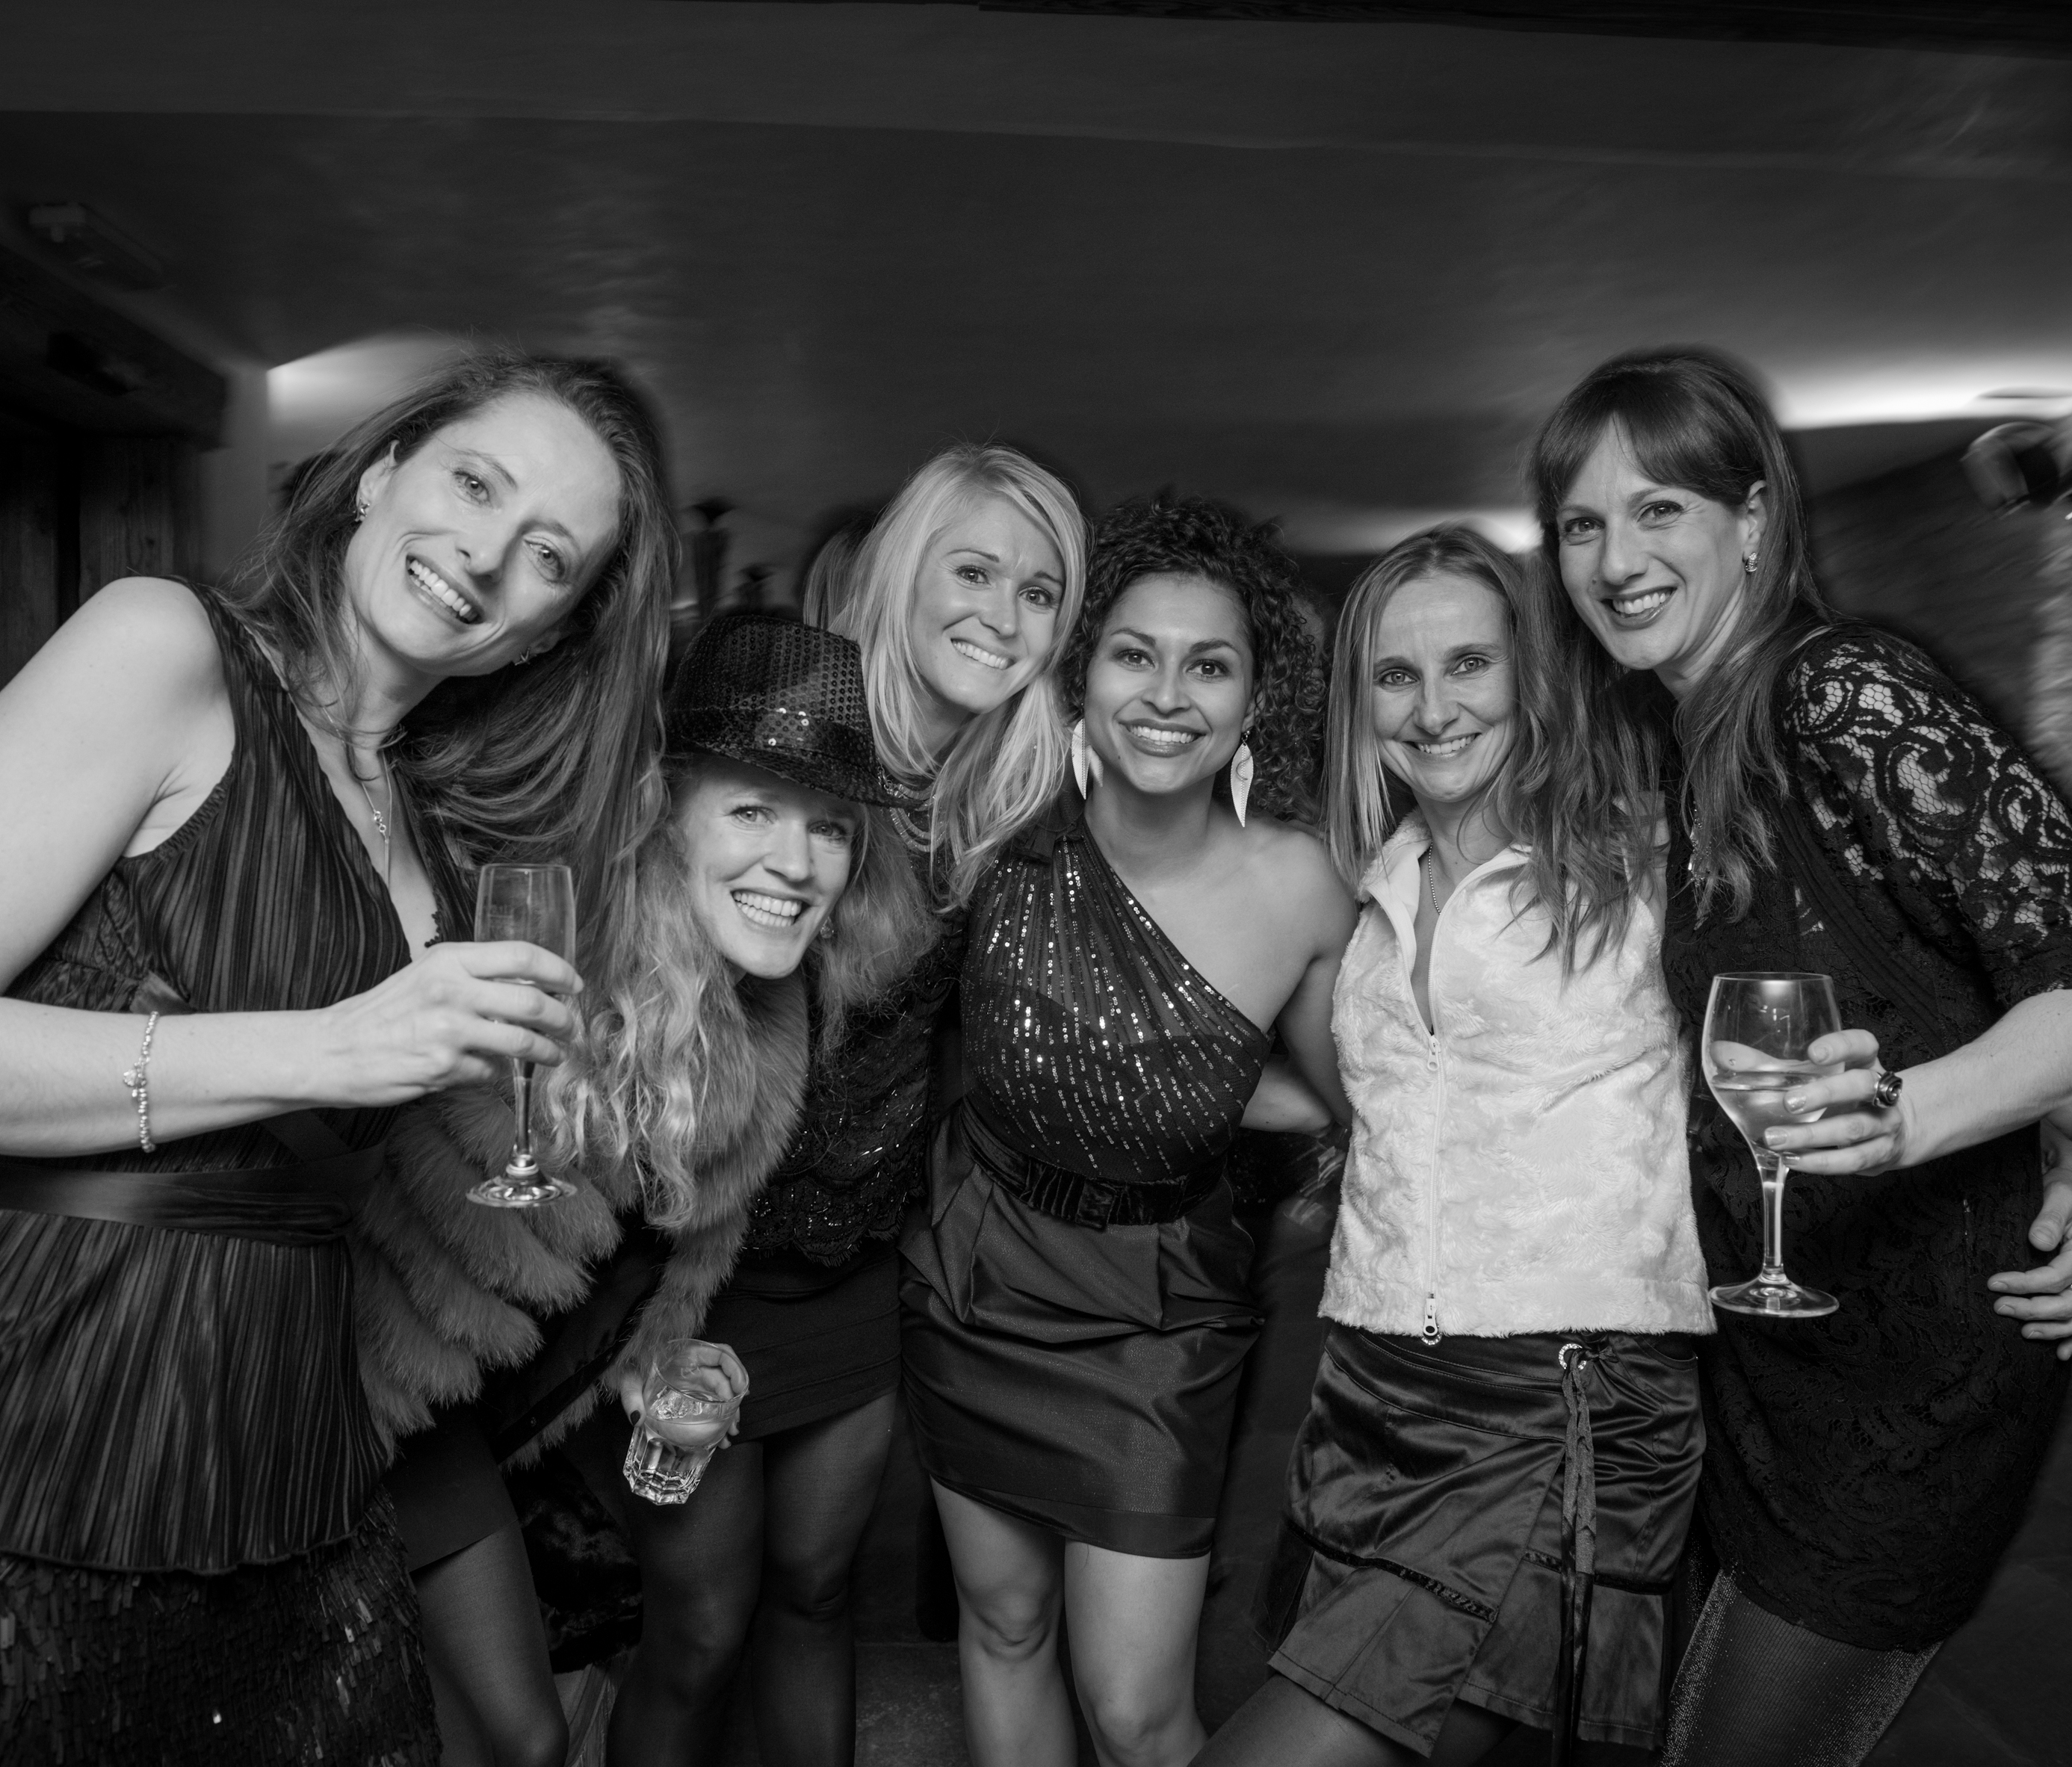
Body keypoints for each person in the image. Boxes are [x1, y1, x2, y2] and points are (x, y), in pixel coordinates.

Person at [0, 351, 678, 1766]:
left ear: (547, 635)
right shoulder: (164, 647)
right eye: (474, 483)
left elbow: (150, 1054)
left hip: (297, 1466)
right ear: (379, 474)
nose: (485, 554)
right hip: (46, 1442)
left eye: (548, 555)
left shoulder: (433, 823)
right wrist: (329, 1045)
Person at [1530, 347, 2072, 1767]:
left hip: (1914, 1378)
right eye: (1582, 523)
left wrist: (1911, 1120)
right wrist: (2049, 1143)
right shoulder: (1677, 740)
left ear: (1754, 518)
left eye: (1659, 509)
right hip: (1760, 1362)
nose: (1616, 559)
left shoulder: (1846, 692)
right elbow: (1931, 985)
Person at [359, 609, 939, 1766]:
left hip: (478, 1424)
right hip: (362, 1411)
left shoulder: (767, 1010)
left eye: (830, 828)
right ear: (663, 812)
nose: (797, 863)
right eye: (753, 811)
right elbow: (406, 1290)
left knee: (530, 1728)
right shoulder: (562, 977)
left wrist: (656, 1359)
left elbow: (638, 1273)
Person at [1199, 522, 1713, 1767]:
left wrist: (2060, 1145)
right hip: (1371, 1393)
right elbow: (1364, 1100)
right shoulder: (1363, 885)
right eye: (1397, 674)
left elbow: (1848, 1007)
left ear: (1533, 672)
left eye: (1470, 664)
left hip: (1560, 1397)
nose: (1433, 709)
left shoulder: (1647, 861)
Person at [605, 444, 1088, 1767]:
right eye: (974, 571)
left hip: (854, 1264)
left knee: (818, 1595)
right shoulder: (796, 723)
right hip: (695, 1261)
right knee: (700, 1625)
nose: (1004, 614)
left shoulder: (1008, 799)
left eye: (1040, 590)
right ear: (904, 573)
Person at [902, 491, 1354, 1767]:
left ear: (1255, 698)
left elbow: (1350, 1100)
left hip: (1163, 1312)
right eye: (1134, 654)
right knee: (1004, 1625)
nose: (1166, 695)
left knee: (1138, 1710)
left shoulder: (1299, 884)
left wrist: (1184, 1083)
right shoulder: (995, 835)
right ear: (1080, 675)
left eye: (1209, 665)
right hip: (975, 1278)